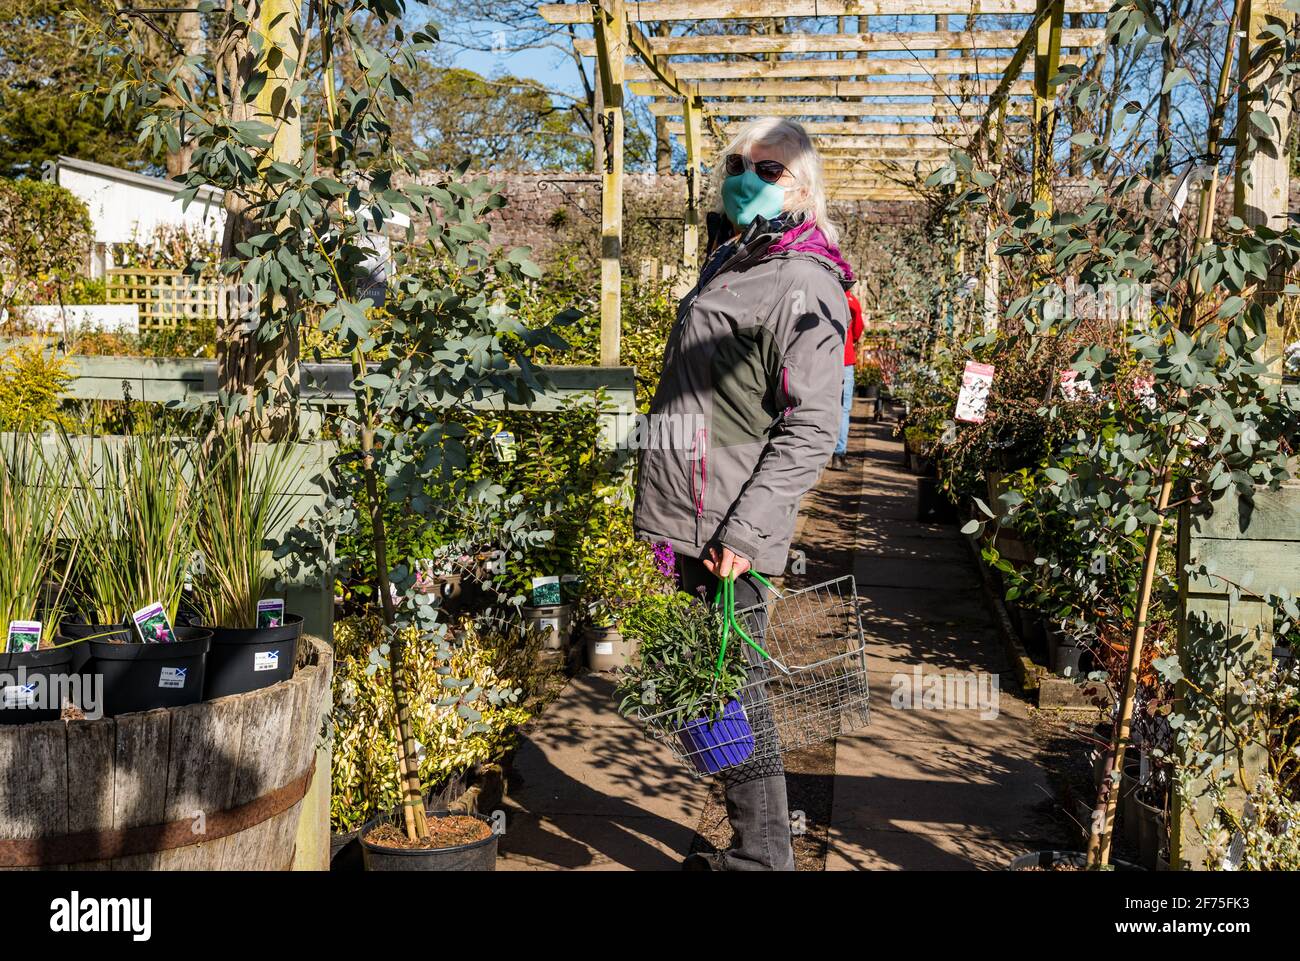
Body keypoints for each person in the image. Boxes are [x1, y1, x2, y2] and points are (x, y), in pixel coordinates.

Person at [632, 117, 853, 871]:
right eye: (736, 162)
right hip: (692, 508)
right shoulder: (737, 256)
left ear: (802, 186)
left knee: (736, 692)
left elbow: (813, 423)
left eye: (768, 167)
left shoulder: (804, 277)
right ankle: (753, 846)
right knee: (717, 686)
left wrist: (747, 529)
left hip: (727, 519)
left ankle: (763, 858)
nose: (745, 176)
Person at [833, 284, 866, 469]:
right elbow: (857, 330)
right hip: (845, 359)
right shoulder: (851, 301)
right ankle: (839, 454)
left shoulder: (823, 294)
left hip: (824, 360)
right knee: (844, 409)